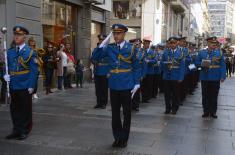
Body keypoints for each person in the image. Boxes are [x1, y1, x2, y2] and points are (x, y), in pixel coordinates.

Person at [95, 24, 141, 148]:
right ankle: (117, 137)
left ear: (124, 34)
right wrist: (102, 44)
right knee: (115, 114)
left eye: (118, 33)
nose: (116, 36)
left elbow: (136, 67)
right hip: (114, 84)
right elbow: (95, 57)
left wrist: (137, 82)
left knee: (127, 113)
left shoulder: (131, 48)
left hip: (127, 85)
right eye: (114, 33)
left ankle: (124, 138)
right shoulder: (109, 48)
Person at [3, 26, 38, 140]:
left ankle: (24, 130)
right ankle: (16, 130)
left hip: (25, 85)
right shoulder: (10, 52)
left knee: (25, 109)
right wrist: (4, 75)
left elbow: (34, 71)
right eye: (15, 35)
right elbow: (6, 67)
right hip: (13, 84)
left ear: (24, 37)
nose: (16, 37)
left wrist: (32, 86)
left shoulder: (30, 52)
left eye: (19, 35)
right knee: (14, 109)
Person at [195, 36, 226, 118]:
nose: (214, 45)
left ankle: (213, 112)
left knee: (214, 95)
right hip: (205, 76)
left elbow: (223, 65)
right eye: (212, 43)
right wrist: (202, 64)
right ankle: (206, 111)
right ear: (208, 43)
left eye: (215, 43)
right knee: (205, 95)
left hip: (215, 77)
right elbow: (196, 63)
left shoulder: (219, 53)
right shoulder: (202, 52)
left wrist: (223, 76)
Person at [161, 36, 185, 115]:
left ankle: (174, 108)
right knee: (167, 94)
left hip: (176, 76)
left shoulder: (180, 53)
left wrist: (181, 77)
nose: (172, 44)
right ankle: (168, 108)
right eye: (171, 43)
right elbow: (161, 64)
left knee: (175, 94)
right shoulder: (165, 52)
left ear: (177, 43)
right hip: (167, 76)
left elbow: (182, 67)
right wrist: (165, 65)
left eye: (174, 43)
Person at [91, 35, 110, 109]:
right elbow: (92, 58)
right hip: (97, 71)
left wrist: (109, 72)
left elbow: (111, 61)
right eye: (100, 40)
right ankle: (99, 103)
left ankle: (104, 103)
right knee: (98, 89)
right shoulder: (96, 49)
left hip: (105, 71)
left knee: (104, 89)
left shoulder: (108, 49)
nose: (101, 41)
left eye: (103, 40)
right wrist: (95, 62)